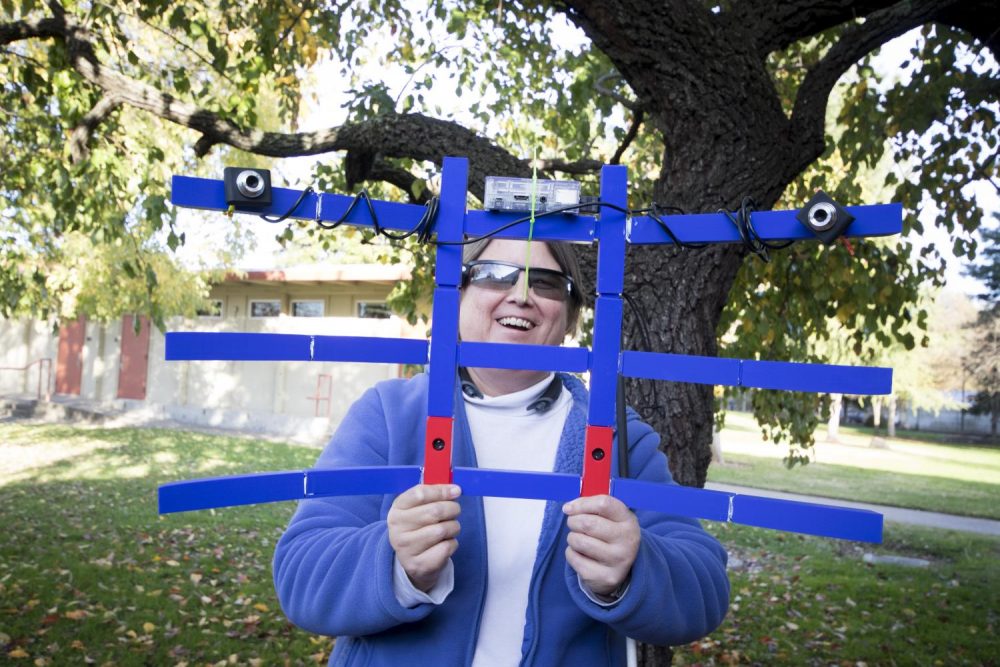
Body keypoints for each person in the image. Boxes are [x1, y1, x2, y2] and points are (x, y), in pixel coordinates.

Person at [273, 238, 730, 666]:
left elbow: (704, 593)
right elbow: (300, 576)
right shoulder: (391, 413)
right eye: (495, 274)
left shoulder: (616, 437)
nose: (521, 295)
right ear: (459, 296)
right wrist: (394, 563)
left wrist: (633, 569)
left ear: (570, 316)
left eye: (547, 282)